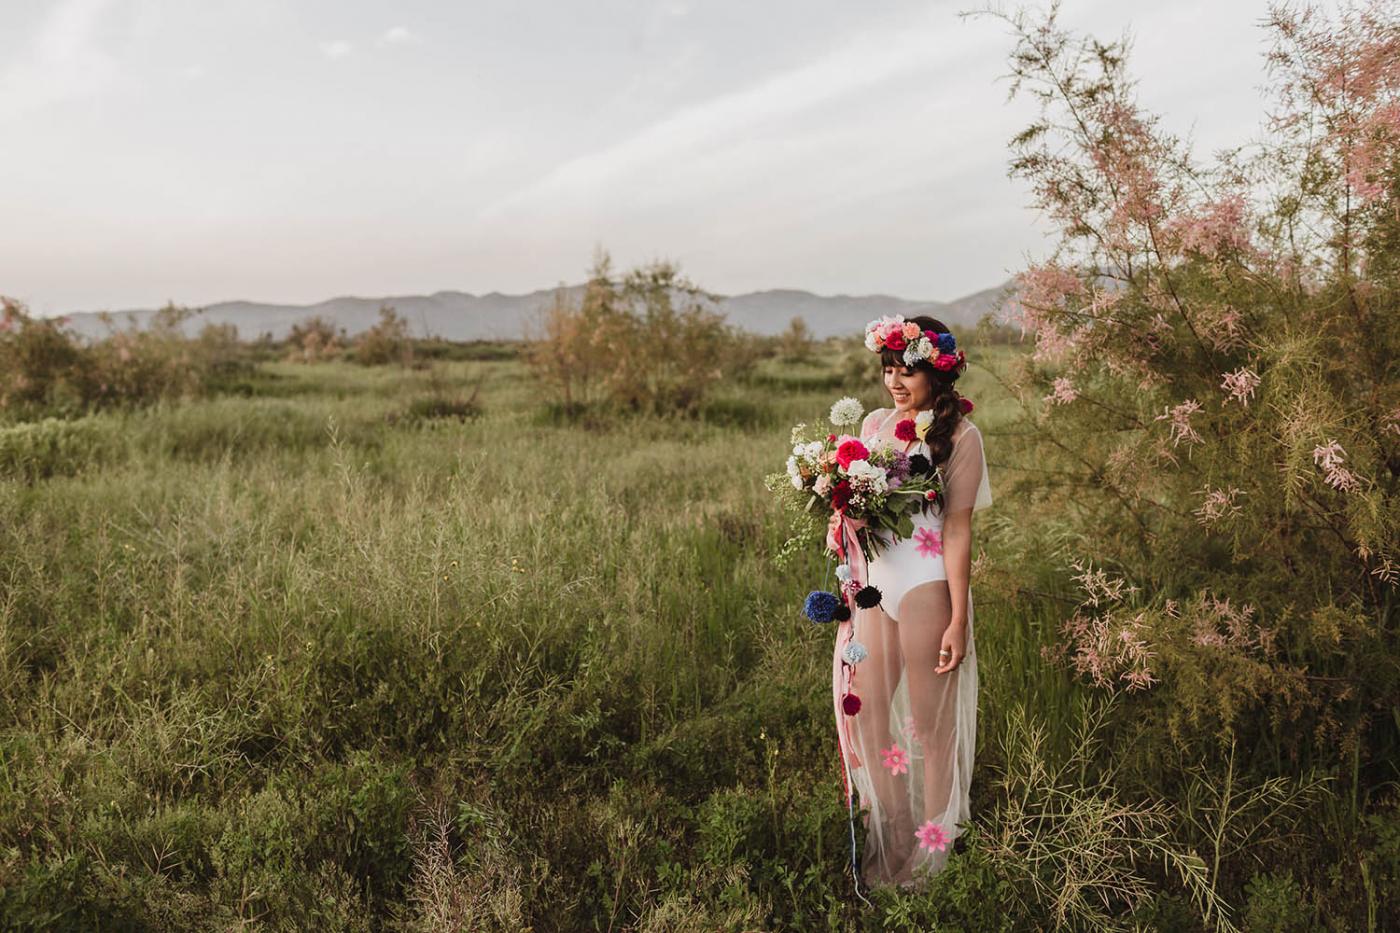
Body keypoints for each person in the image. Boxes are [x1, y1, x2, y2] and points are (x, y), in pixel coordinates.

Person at [827, 314, 993, 890]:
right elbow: (861, 506)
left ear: (935, 373)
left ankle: (931, 858)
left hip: (925, 588)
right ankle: (895, 834)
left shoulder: (961, 438)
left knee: (930, 729)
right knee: (869, 714)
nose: (895, 382)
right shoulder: (873, 426)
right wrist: (839, 510)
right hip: (876, 587)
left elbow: (957, 530)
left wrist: (958, 618)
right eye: (888, 369)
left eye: (907, 371)